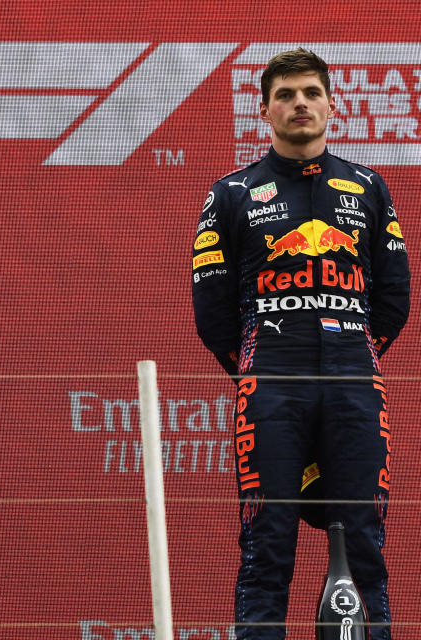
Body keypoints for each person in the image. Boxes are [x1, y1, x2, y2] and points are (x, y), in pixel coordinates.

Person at [192, 49, 409, 639]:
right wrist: (266, 362)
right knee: (268, 540)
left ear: (332, 106)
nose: (300, 105)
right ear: (264, 110)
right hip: (270, 384)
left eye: (311, 93)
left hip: (352, 381)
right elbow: (212, 311)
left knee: (364, 538)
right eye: (286, 95)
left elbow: (394, 299)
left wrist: (348, 352)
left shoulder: (367, 187)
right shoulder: (232, 192)